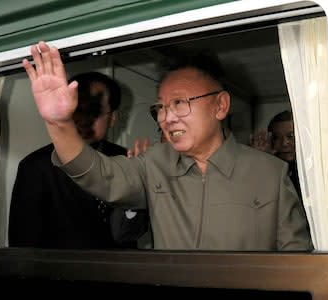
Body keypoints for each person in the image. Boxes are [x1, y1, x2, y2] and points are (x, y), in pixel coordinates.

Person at [22, 41, 312, 251]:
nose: (166, 117)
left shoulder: (270, 172)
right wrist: (60, 123)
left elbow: (295, 259)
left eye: (179, 103)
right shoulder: (153, 163)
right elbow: (99, 174)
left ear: (220, 105)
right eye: (160, 107)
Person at [8, 71, 149, 249]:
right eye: (76, 110)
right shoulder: (36, 166)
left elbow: (131, 234)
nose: (83, 120)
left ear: (112, 118)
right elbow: (23, 245)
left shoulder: (126, 159)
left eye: (94, 111)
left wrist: (134, 193)